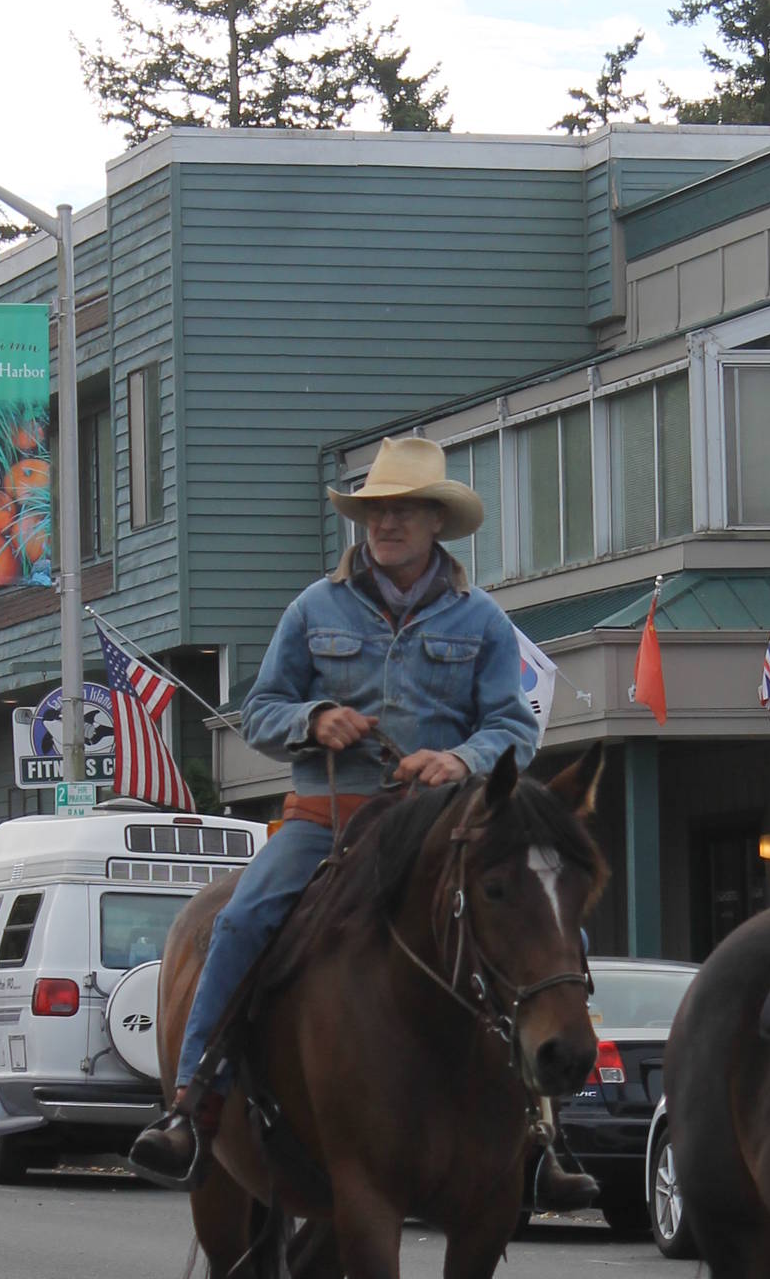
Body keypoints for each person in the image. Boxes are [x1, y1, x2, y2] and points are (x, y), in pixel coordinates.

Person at [131, 434, 553, 1190]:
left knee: (547, 928)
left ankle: (545, 1128)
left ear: (436, 521)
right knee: (240, 920)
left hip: (440, 824)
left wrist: (461, 760)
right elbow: (261, 710)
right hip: (328, 816)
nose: (385, 523)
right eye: (374, 511)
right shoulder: (312, 608)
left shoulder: (482, 620)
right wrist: (314, 718)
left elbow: (514, 726)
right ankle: (193, 1104)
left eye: (403, 511)